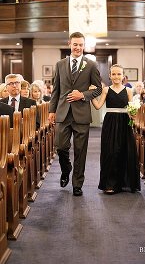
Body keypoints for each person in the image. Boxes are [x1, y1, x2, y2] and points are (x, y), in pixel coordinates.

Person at [49, 32, 103, 196]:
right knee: (60, 146)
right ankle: (66, 168)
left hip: (81, 114)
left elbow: (99, 89)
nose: (78, 47)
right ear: (70, 44)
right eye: (75, 44)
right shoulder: (60, 64)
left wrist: (83, 95)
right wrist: (52, 110)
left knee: (80, 151)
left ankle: (77, 184)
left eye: (80, 45)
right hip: (63, 112)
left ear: (84, 46)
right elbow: (56, 90)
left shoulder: (91, 65)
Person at [89, 64, 140, 194]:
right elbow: (98, 106)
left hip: (125, 122)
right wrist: (91, 96)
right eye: (114, 74)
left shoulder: (128, 90)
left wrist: (133, 114)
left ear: (123, 76)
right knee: (110, 152)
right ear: (110, 76)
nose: (116, 76)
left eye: (119, 74)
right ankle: (110, 184)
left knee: (125, 151)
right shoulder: (106, 89)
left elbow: (131, 110)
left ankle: (124, 183)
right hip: (110, 122)